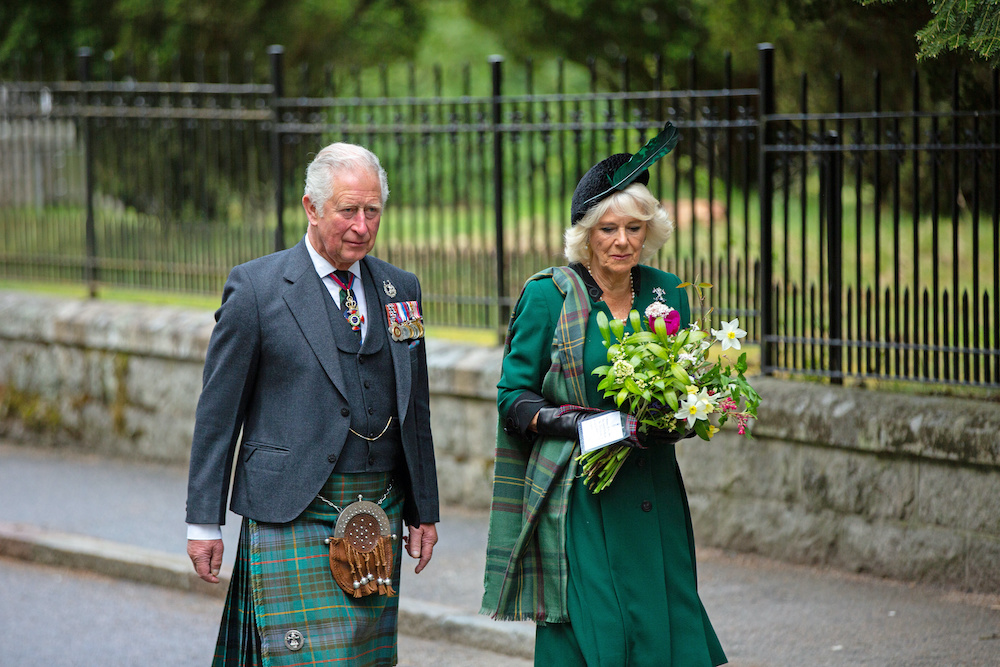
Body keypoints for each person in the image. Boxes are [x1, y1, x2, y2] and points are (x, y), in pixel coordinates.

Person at [185, 142, 439, 667]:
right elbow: (218, 414)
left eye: (373, 212)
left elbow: (416, 407)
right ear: (311, 207)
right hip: (290, 508)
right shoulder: (256, 288)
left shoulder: (399, 288)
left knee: (362, 657)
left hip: (378, 509)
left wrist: (424, 509)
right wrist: (203, 523)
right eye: (348, 210)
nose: (362, 226)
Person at [481, 125, 728, 666]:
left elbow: (685, 378)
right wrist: (584, 424)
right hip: (580, 494)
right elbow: (512, 397)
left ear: (650, 230)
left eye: (634, 228)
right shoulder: (548, 296)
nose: (622, 241)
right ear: (587, 234)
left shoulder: (668, 292)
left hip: (651, 488)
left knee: (665, 613)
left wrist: (685, 414)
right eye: (608, 228)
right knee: (600, 625)